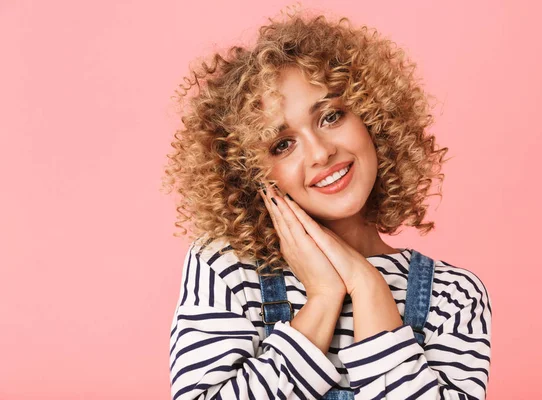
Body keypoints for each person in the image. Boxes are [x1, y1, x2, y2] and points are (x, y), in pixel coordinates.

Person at [163, 9, 492, 400]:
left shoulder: (453, 295)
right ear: (251, 175)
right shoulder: (226, 271)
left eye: (331, 116)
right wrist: (322, 297)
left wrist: (368, 286)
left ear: (374, 118)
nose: (320, 153)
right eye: (282, 144)